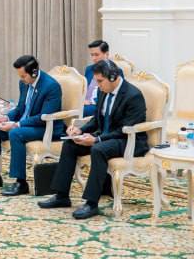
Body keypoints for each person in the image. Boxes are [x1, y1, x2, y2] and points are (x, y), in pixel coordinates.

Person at [38, 59, 148, 219]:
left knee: (98, 149)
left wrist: (97, 140)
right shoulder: (103, 91)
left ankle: (91, 203)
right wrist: (80, 130)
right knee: (70, 144)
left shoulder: (133, 95)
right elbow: (97, 119)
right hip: (107, 137)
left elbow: (124, 129)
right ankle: (61, 195)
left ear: (113, 78)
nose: (97, 85)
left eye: (100, 81)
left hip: (129, 140)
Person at [0, 55, 63, 196]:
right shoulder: (24, 83)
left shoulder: (51, 86)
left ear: (34, 72)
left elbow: (43, 117)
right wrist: (7, 117)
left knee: (16, 133)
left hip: (46, 128)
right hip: (26, 124)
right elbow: (21, 108)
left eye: (23, 76)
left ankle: (21, 183)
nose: (21, 79)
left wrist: (17, 124)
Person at [83, 39, 111, 117]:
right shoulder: (89, 69)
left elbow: (114, 95)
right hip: (84, 103)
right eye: (92, 55)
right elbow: (85, 89)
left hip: (100, 105)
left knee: (81, 110)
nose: (93, 58)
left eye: (96, 55)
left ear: (106, 54)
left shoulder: (114, 71)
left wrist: (91, 101)